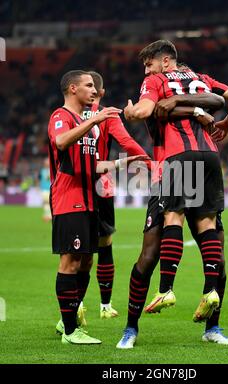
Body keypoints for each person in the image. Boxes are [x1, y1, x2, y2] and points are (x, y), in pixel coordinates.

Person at [116, 40, 228, 349]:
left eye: (148, 64)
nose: (145, 71)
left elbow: (145, 109)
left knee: (148, 255)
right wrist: (225, 121)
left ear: (163, 62)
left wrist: (132, 112)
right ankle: (212, 325)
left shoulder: (155, 80)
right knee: (215, 245)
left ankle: (135, 325)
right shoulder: (202, 79)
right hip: (210, 161)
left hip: (172, 164)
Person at [48, 69, 148, 345]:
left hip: (90, 200)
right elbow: (60, 141)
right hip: (70, 199)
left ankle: (68, 318)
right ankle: (70, 331)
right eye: (88, 85)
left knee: (86, 261)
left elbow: (92, 166)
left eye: (95, 86)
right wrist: (97, 118)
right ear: (72, 89)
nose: (94, 90)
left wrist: (122, 163)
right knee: (69, 262)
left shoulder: (88, 124)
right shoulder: (62, 117)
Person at [80, 71, 150, 319]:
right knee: (105, 243)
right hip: (101, 185)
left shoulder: (67, 114)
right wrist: (150, 163)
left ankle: (75, 306)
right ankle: (105, 305)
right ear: (102, 93)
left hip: (71, 185)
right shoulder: (108, 114)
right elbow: (127, 143)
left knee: (76, 249)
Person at [39, 157, 51, 222]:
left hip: (47, 189)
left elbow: (39, 179)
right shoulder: (51, 170)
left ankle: (48, 215)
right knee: (47, 203)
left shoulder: (43, 171)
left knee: (46, 203)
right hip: (45, 189)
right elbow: (40, 180)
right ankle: (48, 215)